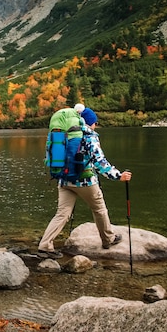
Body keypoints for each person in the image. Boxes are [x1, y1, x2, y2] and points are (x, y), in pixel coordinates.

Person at [38, 107, 132, 259]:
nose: (95, 126)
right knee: (99, 208)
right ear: (90, 123)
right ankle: (108, 239)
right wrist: (118, 176)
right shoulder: (89, 136)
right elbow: (100, 162)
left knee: (62, 213)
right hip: (85, 181)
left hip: (64, 180)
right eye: (95, 123)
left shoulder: (63, 135)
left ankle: (45, 244)